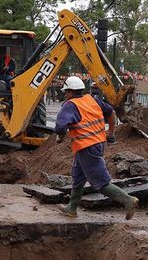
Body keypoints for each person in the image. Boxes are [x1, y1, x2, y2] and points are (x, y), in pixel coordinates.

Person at [54, 76, 139, 220]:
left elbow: (60, 127)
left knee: (100, 182)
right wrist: (110, 132)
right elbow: (111, 112)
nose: (65, 95)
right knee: (78, 176)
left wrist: (60, 137)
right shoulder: (92, 100)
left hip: (87, 147)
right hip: (96, 144)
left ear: (70, 92)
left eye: (66, 92)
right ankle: (72, 208)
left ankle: (128, 200)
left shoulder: (70, 105)